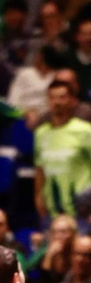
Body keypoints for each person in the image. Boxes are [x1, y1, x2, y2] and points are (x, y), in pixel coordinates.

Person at [35, 80, 91, 219]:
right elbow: (40, 168)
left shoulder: (85, 131)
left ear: (72, 101)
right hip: (53, 209)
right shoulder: (41, 133)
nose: (57, 102)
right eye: (52, 97)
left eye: (62, 97)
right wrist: (38, 197)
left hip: (81, 207)